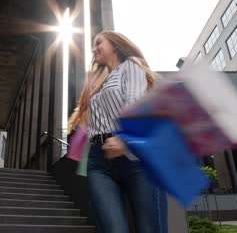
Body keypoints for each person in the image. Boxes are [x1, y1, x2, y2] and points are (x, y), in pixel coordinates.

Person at [68, 31, 168, 233]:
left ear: (114, 45)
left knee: (149, 228)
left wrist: (125, 139)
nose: (94, 48)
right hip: (99, 160)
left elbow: (135, 105)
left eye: (99, 43)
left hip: (136, 158)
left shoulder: (131, 66)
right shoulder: (100, 81)